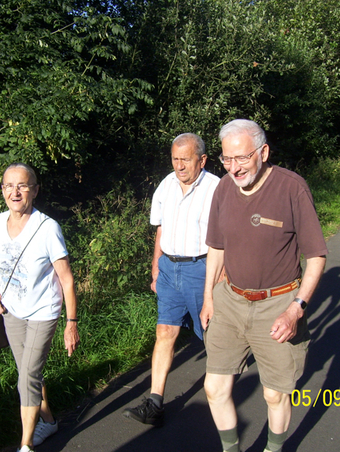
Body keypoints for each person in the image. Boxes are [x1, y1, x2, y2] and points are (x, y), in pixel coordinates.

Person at [200, 119, 328, 452]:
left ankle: (274, 448)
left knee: (275, 392)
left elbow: (316, 256)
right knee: (214, 387)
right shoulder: (224, 188)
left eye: (241, 158)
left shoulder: (291, 187)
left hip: (278, 303)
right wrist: (208, 299)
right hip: (229, 300)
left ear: (264, 152)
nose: (233, 167)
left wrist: (295, 310)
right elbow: (216, 248)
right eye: (227, 159)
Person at [123, 133, 220, 426]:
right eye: (175, 159)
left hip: (201, 270)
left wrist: (219, 280)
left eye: (185, 159)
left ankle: (220, 399)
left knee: (212, 335)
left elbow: (225, 241)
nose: (179, 166)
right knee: (165, 332)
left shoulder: (217, 189)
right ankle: (155, 403)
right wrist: (156, 267)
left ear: (201, 160)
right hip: (168, 269)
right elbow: (161, 229)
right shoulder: (166, 186)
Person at [0, 163, 80, 452]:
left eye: (22, 186)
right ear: (2, 190)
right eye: (9, 186)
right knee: (29, 372)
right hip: (11, 311)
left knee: (26, 377)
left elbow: (67, 280)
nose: (15, 192)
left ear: (34, 190)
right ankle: (49, 420)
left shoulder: (47, 228)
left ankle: (26, 445)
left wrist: (71, 322)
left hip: (43, 311)